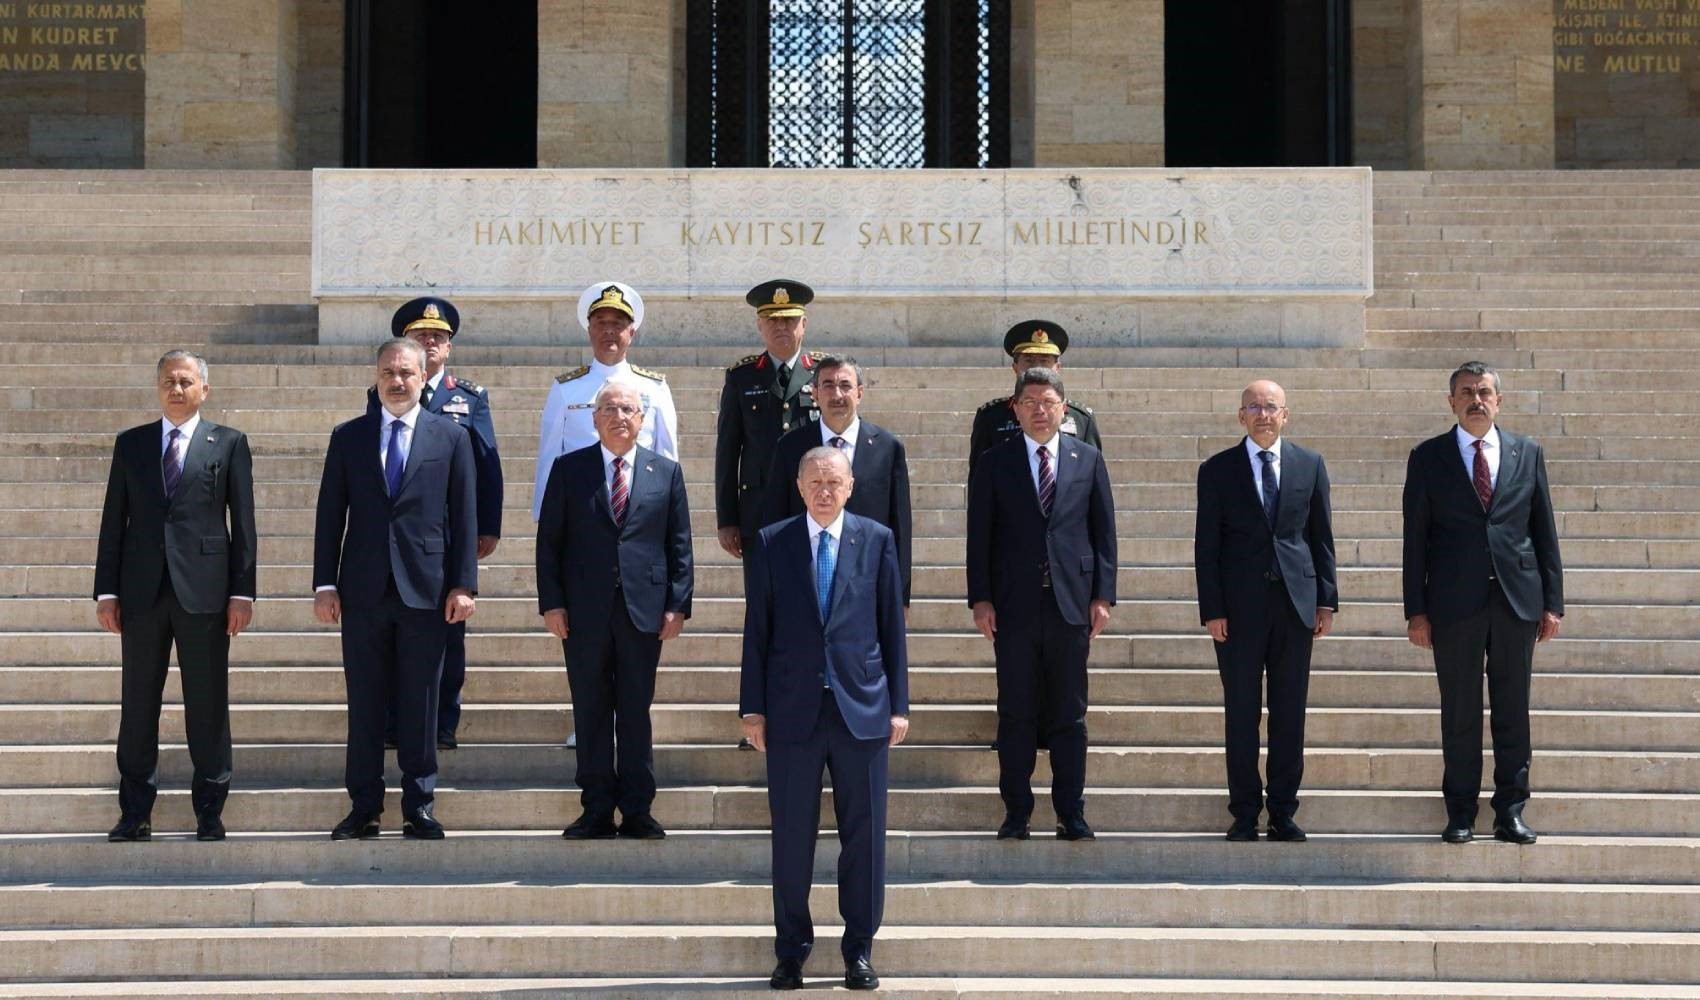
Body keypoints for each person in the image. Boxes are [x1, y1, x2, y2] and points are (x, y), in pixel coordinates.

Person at [739, 446, 909, 992]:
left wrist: (899, 705)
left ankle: (858, 949)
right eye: (815, 481)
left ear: (851, 486)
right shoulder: (771, 542)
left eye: (834, 481)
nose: (824, 490)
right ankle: (791, 951)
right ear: (799, 485)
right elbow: (757, 630)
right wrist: (752, 706)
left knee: (865, 837)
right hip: (792, 712)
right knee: (792, 837)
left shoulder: (877, 540)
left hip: (862, 710)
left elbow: (891, 630)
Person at [313, 338, 478, 841]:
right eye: (388, 372)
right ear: (376, 376)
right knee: (364, 703)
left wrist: (463, 584)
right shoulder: (349, 437)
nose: (398, 381)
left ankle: (419, 804)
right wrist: (325, 583)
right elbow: (328, 517)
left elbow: (465, 517)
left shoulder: (449, 438)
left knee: (421, 702)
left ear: (422, 374)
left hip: (426, 592)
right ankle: (363, 806)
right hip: (362, 590)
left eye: (406, 372)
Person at [94, 350, 256, 842]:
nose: (177, 389)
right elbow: (112, 524)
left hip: (205, 595)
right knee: (138, 704)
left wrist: (242, 593)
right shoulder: (133, 444)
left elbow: (243, 526)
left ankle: (209, 809)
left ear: (204, 389)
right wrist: (107, 591)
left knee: (207, 705)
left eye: (186, 381)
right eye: (168, 381)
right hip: (141, 594)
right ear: (157, 387)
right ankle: (135, 811)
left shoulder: (227, 443)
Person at [1403, 360, 1563, 846]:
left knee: (1513, 709)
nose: (1477, 399)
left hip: (1517, 602)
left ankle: (1510, 810)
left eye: (1485, 391)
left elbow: (1543, 530)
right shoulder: (1428, 457)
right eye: (1467, 392)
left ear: (1499, 401)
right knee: (1460, 711)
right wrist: (1416, 610)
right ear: (1451, 401)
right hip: (1453, 604)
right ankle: (1460, 812)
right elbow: (1416, 540)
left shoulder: (1527, 452)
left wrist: (1552, 602)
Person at [537, 378, 694, 841]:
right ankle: (596, 809)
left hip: (643, 610)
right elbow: (550, 545)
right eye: (609, 409)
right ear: (594, 419)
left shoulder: (665, 472)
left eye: (628, 409)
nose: (619, 417)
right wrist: (552, 603)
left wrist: (678, 604)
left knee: (634, 710)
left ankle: (638, 808)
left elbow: (679, 543)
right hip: (583, 612)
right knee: (589, 709)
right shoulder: (569, 470)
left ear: (642, 420)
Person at [966, 367, 1116, 842]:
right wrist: (981, 598)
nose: (1039, 410)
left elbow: (1104, 532)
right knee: (1015, 711)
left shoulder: (1087, 458)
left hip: (1071, 605)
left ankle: (1071, 811)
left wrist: (1103, 595)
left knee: (1070, 715)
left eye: (1048, 401)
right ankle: (1016, 811)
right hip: (1013, 607)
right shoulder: (995, 461)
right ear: (1016, 408)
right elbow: (979, 537)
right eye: (1029, 401)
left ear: (1064, 409)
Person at [532, 281, 676, 750]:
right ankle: (589, 726)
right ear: (588, 329)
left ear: (632, 332)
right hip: (584, 531)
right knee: (588, 666)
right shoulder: (567, 388)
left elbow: (669, 459)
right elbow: (549, 456)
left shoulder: (654, 388)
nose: (609, 332)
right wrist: (545, 525)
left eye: (618, 324)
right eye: (601, 324)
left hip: (638, 530)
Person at [1194, 379, 1338, 843]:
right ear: (1241, 416)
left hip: (1295, 606)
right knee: (1240, 712)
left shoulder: (1310, 465)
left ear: (1285, 415)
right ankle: (1244, 811)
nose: (1262, 415)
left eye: (1270, 407)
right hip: (1237, 611)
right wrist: (1212, 609)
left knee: (1289, 712)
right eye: (1253, 407)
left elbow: (1321, 538)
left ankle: (1282, 810)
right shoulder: (1217, 469)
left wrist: (1326, 599)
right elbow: (1207, 547)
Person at [365, 297, 502, 750]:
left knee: (448, 639)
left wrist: (487, 528)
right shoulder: (382, 395)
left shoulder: (468, 398)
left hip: (443, 541)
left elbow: (486, 466)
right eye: (421, 336)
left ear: (447, 348)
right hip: (394, 540)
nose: (430, 341)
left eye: (438, 337)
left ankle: (442, 722)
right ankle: (390, 724)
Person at [763, 354, 912, 606]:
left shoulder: (888, 448)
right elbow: (776, 518)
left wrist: (900, 597)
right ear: (815, 393)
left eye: (845, 385)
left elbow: (900, 527)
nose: (837, 395)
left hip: (868, 583)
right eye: (828, 385)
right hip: (804, 581)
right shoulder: (790, 447)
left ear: (860, 393)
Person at [715, 278, 824, 569]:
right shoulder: (742, 377)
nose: (781, 327)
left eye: (789, 320)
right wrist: (727, 519)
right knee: (762, 602)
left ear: (804, 324)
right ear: (759, 326)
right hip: (758, 510)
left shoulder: (823, 374)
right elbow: (727, 452)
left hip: (813, 506)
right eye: (772, 320)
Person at [967, 320, 1101, 484]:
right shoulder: (991, 417)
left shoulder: (1081, 419)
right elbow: (979, 482)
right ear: (1015, 367)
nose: (1037, 368)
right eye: (1029, 360)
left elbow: (1093, 481)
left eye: (1045, 361)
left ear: (1057, 367)